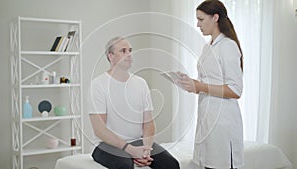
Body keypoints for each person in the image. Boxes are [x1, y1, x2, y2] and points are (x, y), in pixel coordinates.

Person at [88, 37, 180, 169]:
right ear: (111, 56)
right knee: (125, 165)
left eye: (130, 50)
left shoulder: (141, 83)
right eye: (123, 51)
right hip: (105, 145)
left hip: (137, 141)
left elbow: (148, 123)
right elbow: (99, 130)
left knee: (171, 164)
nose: (129, 54)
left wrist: (147, 149)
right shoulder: (98, 85)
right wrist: (130, 150)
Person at [176, 0, 244, 169]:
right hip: (207, 118)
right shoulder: (208, 47)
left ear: (215, 18)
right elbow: (209, 82)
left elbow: (235, 90)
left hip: (223, 122)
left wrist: (200, 86)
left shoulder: (228, 46)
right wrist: (191, 84)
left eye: (201, 19)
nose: (197, 24)